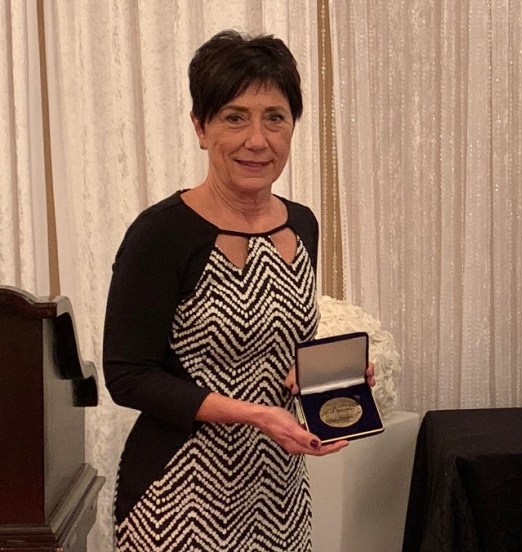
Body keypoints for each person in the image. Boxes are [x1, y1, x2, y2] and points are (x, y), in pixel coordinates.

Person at [102, 30, 373, 551]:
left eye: (275, 116)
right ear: (200, 128)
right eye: (234, 117)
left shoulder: (302, 225)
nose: (257, 139)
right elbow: (127, 376)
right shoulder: (162, 234)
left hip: (279, 495)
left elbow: (277, 338)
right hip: (178, 496)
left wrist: (327, 375)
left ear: (293, 126)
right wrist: (252, 412)